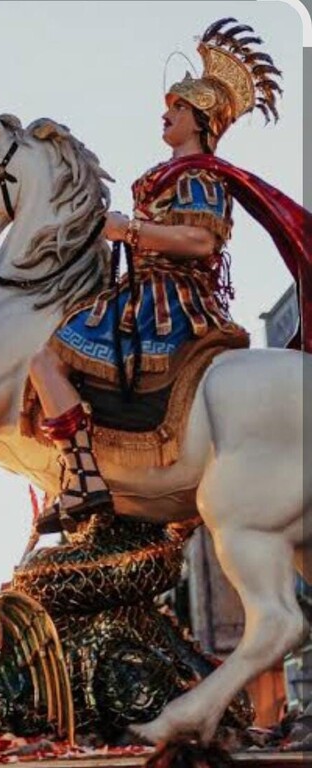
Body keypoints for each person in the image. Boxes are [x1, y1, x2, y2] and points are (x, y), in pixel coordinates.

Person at [28, 17, 309, 535]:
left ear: (199, 119)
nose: (166, 115)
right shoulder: (169, 175)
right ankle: (81, 473)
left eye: (176, 108)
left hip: (169, 302)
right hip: (139, 291)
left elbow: (201, 241)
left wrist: (131, 232)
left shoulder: (200, 175)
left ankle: (83, 474)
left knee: (46, 356)